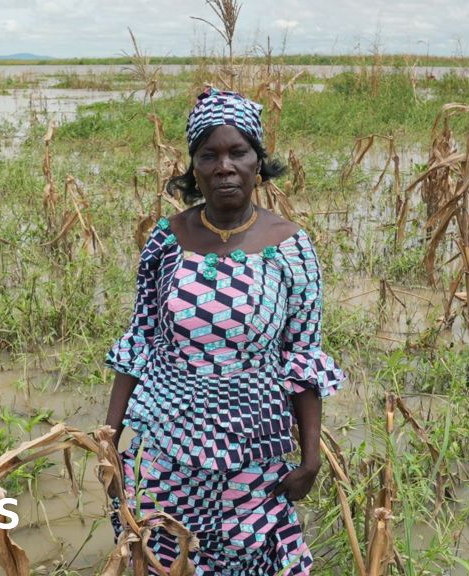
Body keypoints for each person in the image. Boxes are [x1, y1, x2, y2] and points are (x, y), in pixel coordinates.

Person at [104, 87, 345, 575]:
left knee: (247, 555)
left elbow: (302, 354)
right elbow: (141, 339)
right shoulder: (167, 238)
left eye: (238, 152)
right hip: (169, 440)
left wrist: (312, 455)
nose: (224, 167)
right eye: (208, 155)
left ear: (259, 162)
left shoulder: (291, 247)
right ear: (193, 167)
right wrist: (109, 439)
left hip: (255, 444)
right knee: (161, 551)